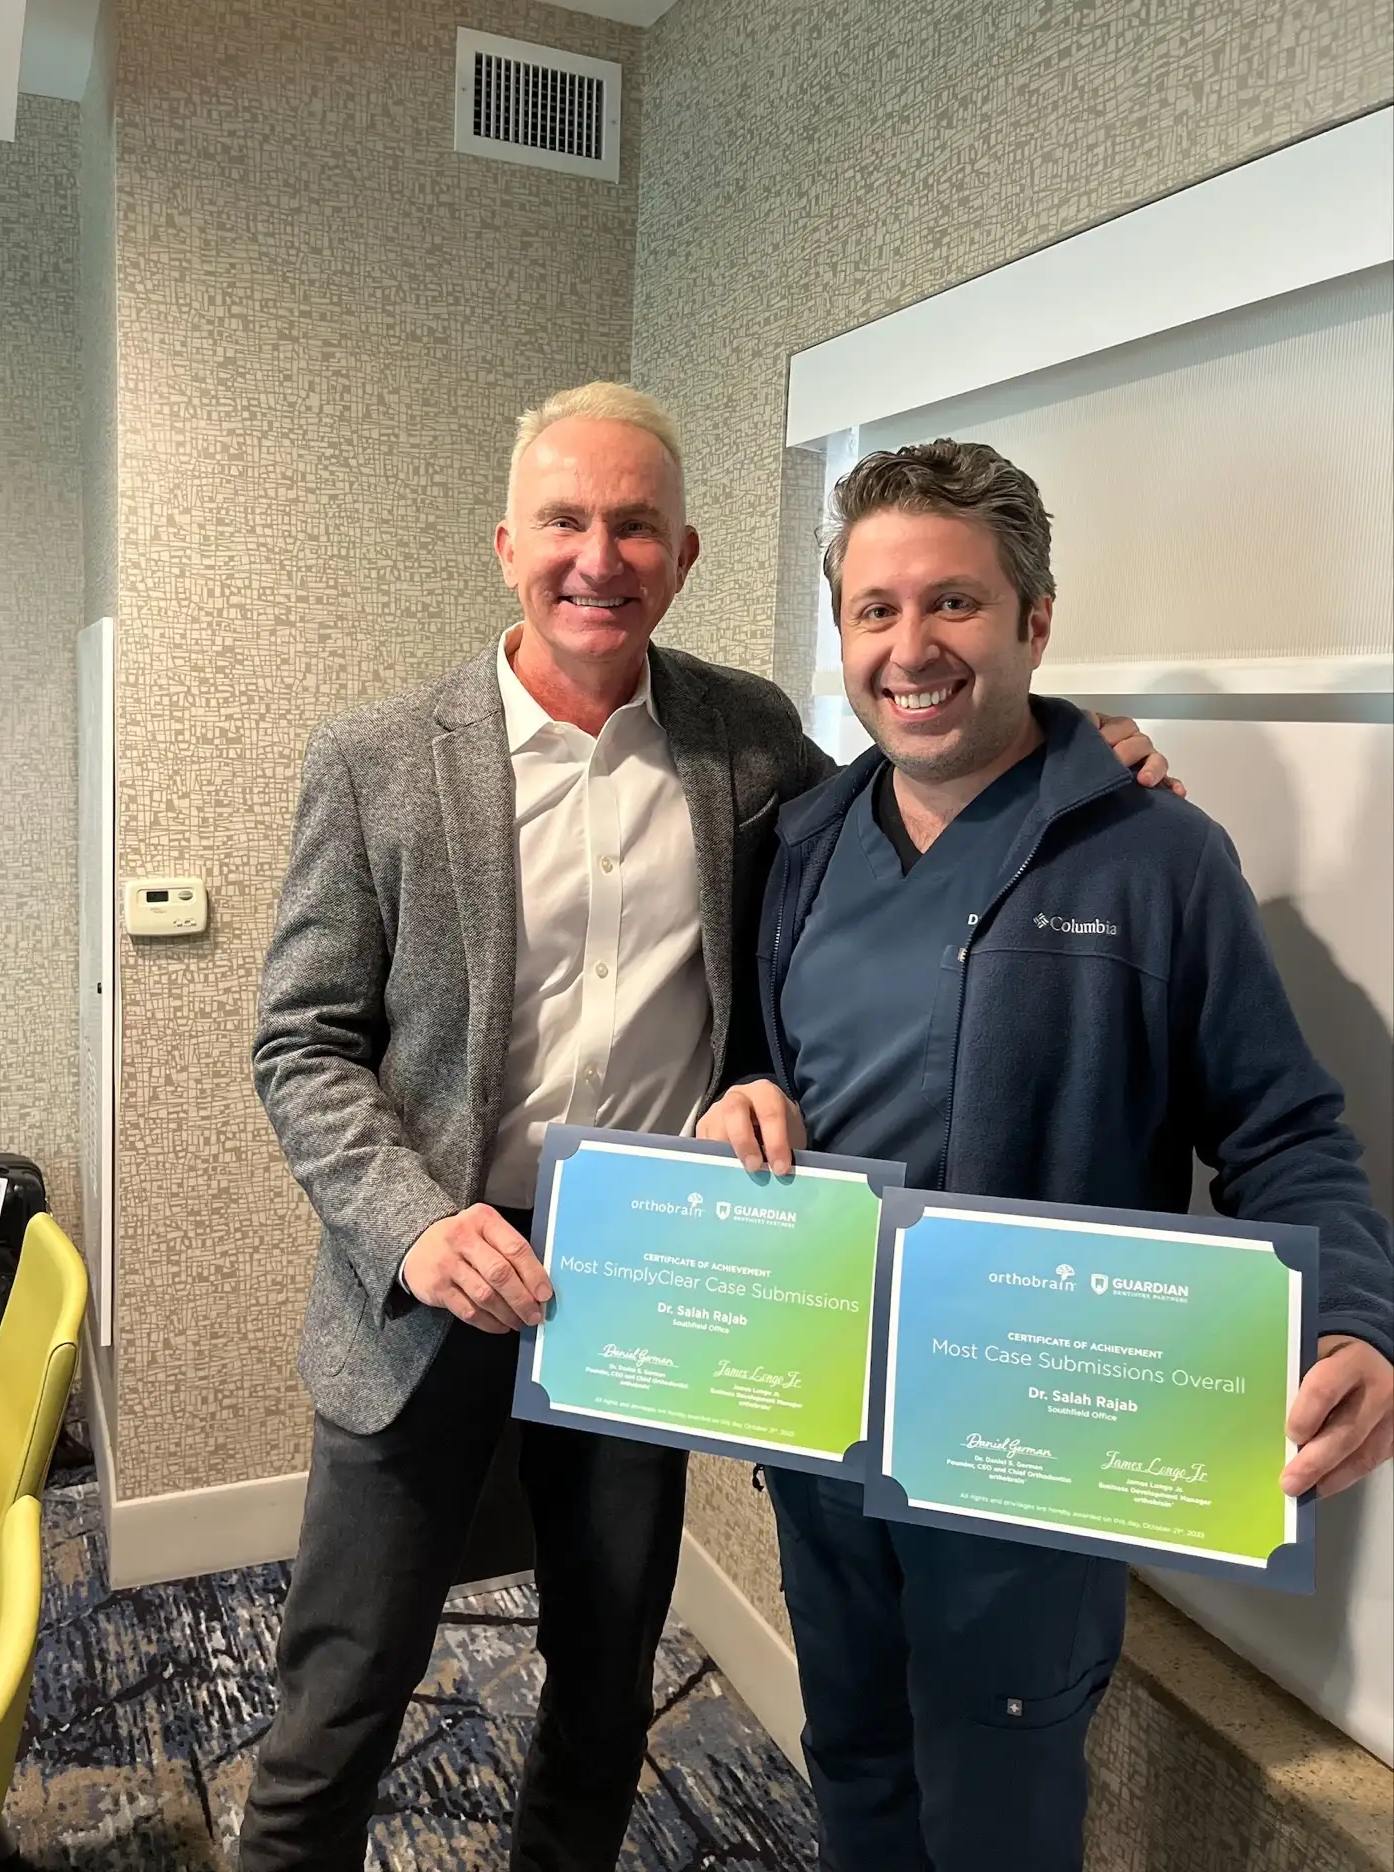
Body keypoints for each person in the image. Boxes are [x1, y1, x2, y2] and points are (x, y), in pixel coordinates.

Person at [238, 386, 1174, 1871]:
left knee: (607, 1686)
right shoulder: (376, 760)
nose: (596, 557)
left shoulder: (746, 742)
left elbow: (922, 769)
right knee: (340, 1696)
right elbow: (299, 1042)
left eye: (632, 526)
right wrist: (414, 1229)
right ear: (506, 544)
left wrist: (1077, 754)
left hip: (651, 1285)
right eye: (564, 522)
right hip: (424, 1287)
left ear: (682, 555)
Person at [698, 438, 1394, 1872]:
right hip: (823, 1436)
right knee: (858, 1776)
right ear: (840, 636)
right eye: (875, 612)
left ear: (1036, 620)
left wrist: (1356, 1320)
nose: (912, 647)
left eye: (954, 603)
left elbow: (1285, 1132)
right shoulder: (807, 842)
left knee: (1001, 1821)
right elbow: (773, 1062)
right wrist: (743, 1096)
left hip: (1028, 1463)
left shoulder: (1156, 860)